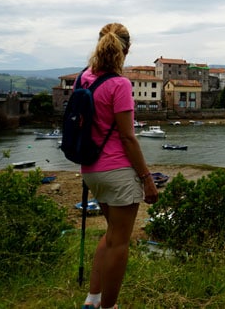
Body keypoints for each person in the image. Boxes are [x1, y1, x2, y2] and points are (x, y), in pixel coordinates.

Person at [80, 23, 158, 309]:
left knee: (111, 233)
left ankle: (93, 299)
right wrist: (147, 179)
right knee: (120, 242)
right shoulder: (120, 84)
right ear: (126, 49)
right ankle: (109, 306)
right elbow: (127, 137)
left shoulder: (83, 79)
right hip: (118, 171)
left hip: (91, 170)